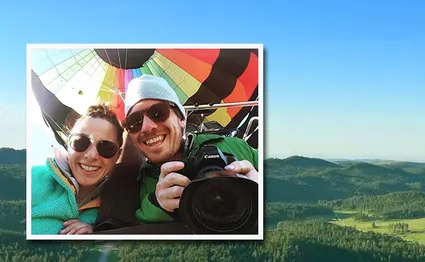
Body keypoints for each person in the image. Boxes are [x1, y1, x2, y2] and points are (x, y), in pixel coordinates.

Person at [122, 75, 259, 225]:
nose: (147, 127)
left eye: (157, 113)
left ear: (181, 118)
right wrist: (157, 205)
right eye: (134, 122)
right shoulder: (131, 184)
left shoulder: (238, 147)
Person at [31, 103, 124, 235]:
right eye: (80, 142)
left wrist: (94, 232)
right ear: (68, 144)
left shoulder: (115, 209)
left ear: (117, 156)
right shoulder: (34, 178)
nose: (91, 155)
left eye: (106, 148)